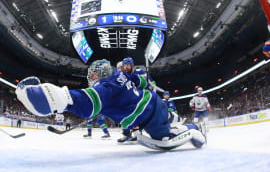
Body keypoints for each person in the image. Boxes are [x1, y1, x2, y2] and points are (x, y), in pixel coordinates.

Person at [15, 59, 206, 150]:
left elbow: (86, 102)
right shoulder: (119, 75)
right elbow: (140, 79)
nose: (91, 77)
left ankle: (194, 128)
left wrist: (57, 98)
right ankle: (178, 122)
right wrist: (142, 78)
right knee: (170, 118)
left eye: (94, 74)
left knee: (164, 136)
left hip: (149, 114)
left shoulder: (107, 85)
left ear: (103, 73)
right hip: (152, 106)